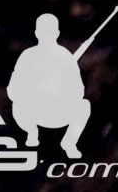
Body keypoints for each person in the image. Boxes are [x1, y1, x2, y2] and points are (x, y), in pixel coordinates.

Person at [7, 12, 91, 158]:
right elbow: (13, 89)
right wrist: (34, 90)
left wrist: (60, 90)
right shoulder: (27, 56)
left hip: (57, 111)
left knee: (84, 106)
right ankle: (32, 132)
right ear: (37, 33)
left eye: (50, 32)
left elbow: (79, 91)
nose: (47, 36)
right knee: (18, 105)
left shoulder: (65, 57)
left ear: (57, 33)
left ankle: (69, 142)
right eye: (44, 32)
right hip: (32, 111)